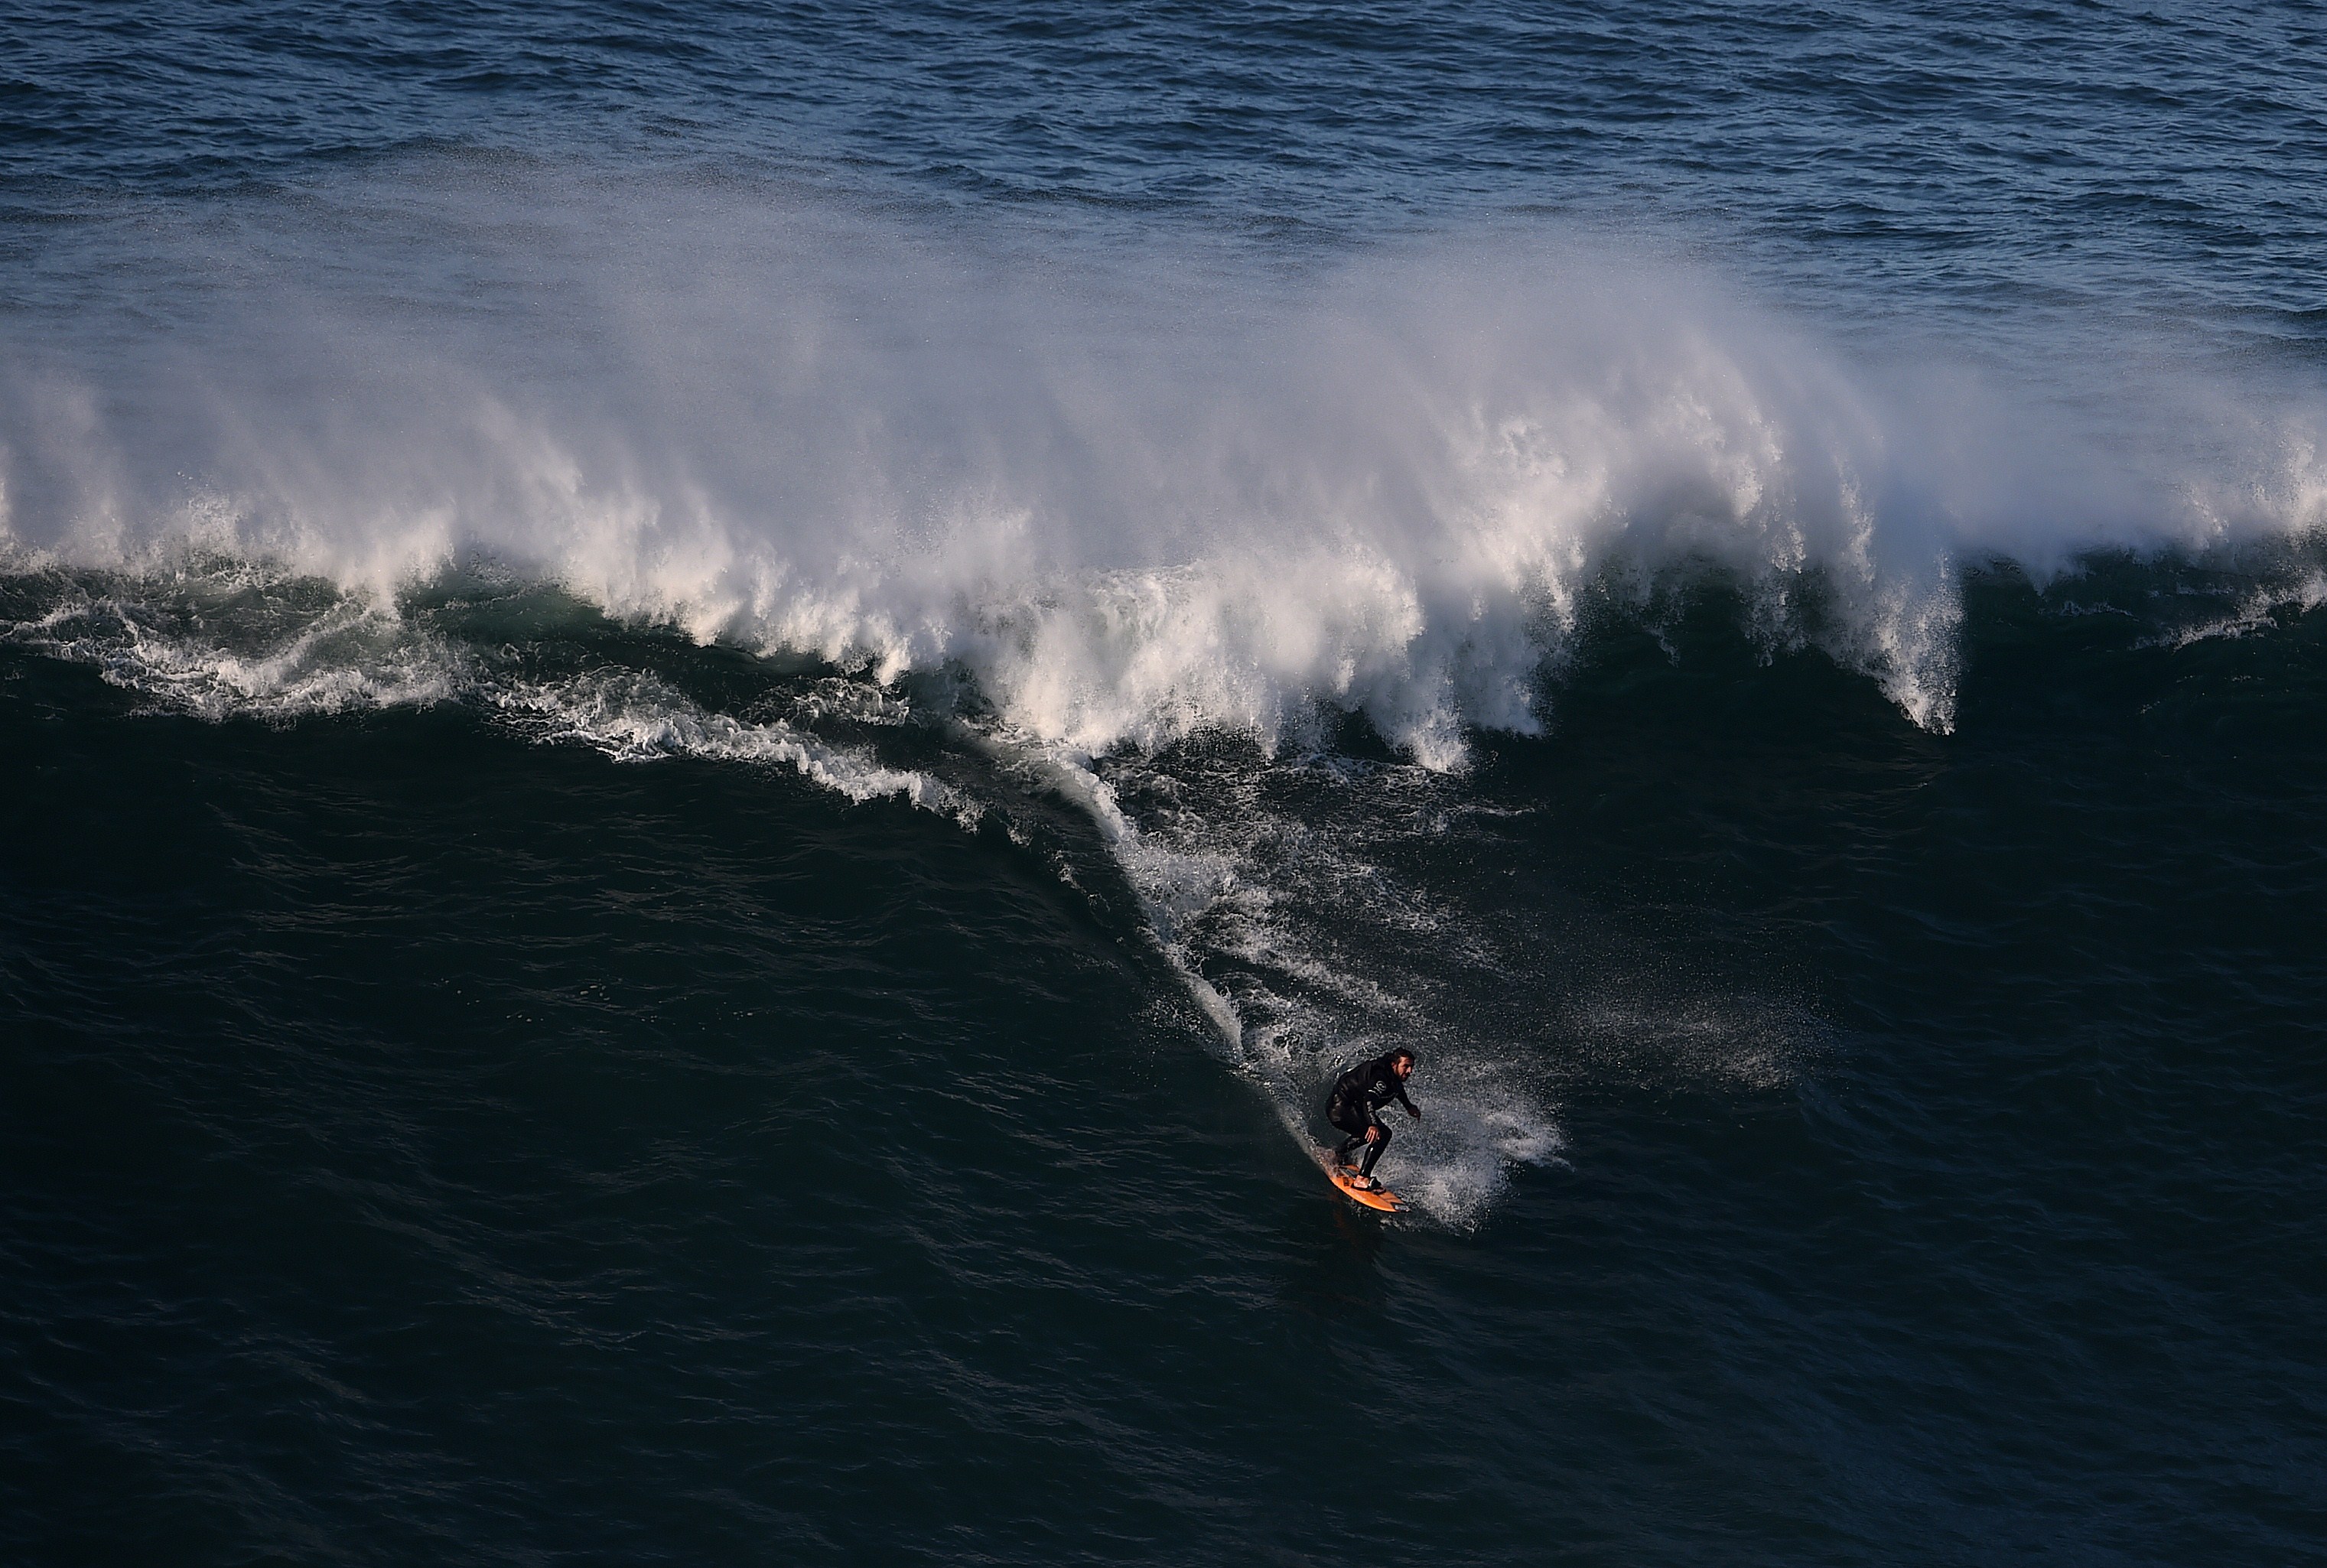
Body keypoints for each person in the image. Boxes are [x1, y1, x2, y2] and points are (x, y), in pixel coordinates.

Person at [1326, 1048, 1421, 1191]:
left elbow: (1397, 1088)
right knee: (1381, 1134)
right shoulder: (1380, 1077)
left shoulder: (1391, 1074)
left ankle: (1336, 1154)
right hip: (1341, 1109)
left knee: (1375, 1133)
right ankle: (1361, 1179)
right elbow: (1368, 1100)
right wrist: (1372, 1124)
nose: (1410, 1071)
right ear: (1394, 1064)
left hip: (1352, 1107)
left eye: (1411, 1067)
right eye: (1406, 1066)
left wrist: (1408, 1106)